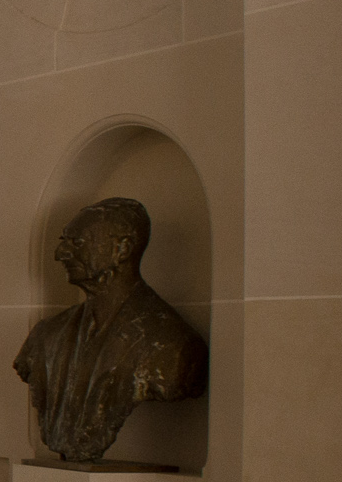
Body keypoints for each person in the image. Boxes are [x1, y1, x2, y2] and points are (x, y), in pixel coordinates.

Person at [12, 197, 206, 464]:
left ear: (122, 249)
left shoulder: (171, 345)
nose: (61, 254)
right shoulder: (46, 335)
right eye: (63, 241)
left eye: (77, 243)